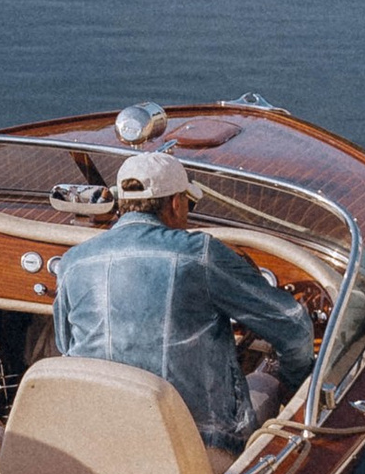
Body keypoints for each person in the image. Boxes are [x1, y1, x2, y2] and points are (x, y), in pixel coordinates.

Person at [49, 149, 317, 456]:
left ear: (121, 203)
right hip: (196, 446)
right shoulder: (201, 254)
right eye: (189, 203)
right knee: (265, 378)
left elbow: (66, 347)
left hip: (102, 440)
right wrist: (294, 382)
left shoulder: (72, 262)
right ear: (176, 203)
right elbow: (295, 328)